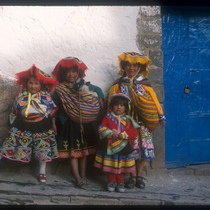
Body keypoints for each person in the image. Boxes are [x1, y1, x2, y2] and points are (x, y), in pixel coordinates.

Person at [108, 52, 166, 189]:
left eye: (135, 65)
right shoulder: (118, 84)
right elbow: (111, 102)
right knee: (130, 150)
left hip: (142, 122)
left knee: (142, 150)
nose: (131, 68)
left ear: (139, 67)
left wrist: (160, 114)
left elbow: (154, 100)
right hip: (126, 122)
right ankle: (132, 177)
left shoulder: (144, 84)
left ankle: (139, 176)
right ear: (124, 67)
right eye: (128, 65)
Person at [0, 65, 59, 183]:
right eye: (30, 83)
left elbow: (51, 112)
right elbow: (15, 110)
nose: (33, 86)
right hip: (23, 125)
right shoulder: (21, 95)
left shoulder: (45, 96)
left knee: (43, 149)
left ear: (41, 84)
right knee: (9, 144)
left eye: (36, 83)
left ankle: (42, 173)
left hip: (41, 125)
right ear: (26, 83)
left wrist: (53, 125)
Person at [51, 57, 104, 187]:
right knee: (73, 152)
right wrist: (53, 123)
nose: (71, 74)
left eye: (74, 71)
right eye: (67, 72)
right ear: (62, 74)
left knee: (84, 152)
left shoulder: (83, 84)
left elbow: (97, 89)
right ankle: (77, 176)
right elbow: (55, 108)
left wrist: (101, 98)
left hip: (84, 124)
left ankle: (84, 174)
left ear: (79, 73)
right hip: (69, 124)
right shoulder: (60, 90)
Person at [94, 93, 140, 192]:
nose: (118, 107)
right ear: (112, 106)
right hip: (109, 145)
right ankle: (111, 181)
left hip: (123, 146)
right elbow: (102, 128)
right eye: (116, 105)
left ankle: (120, 182)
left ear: (125, 108)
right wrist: (110, 134)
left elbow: (134, 131)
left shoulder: (128, 119)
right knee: (110, 164)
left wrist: (124, 134)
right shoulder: (108, 117)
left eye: (122, 105)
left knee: (121, 164)